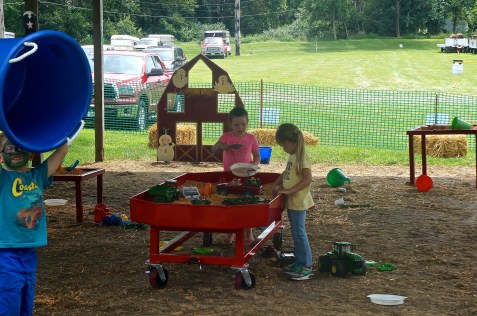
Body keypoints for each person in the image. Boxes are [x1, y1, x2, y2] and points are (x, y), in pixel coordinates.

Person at [0, 132, 69, 314]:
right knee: (8, 303)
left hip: (29, 254)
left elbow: (61, 151)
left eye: (21, 147)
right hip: (5, 254)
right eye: (9, 147)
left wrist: (59, 129)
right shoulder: (3, 179)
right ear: (0, 155)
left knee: (26, 305)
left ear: (31, 154)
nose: (16, 151)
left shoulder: (37, 176)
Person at [272, 123, 315, 281]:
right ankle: (299, 262)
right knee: (297, 233)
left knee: (299, 232)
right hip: (293, 201)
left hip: (298, 201)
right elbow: (287, 172)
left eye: (283, 145)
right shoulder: (293, 156)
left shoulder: (302, 157)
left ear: (288, 142)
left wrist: (289, 191)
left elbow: (307, 178)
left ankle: (305, 266)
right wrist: (277, 182)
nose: (283, 149)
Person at [212, 107, 260, 245]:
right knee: (231, 203)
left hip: (246, 175)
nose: (240, 127)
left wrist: (254, 166)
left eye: (243, 124)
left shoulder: (251, 138)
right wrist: (221, 146)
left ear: (247, 123)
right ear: (230, 124)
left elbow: (257, 155)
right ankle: (230, 234)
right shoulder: (226, 137)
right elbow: (213, 149)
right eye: (236, 125)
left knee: (247, 203)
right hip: (229, 175)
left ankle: (249, 233)